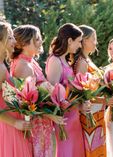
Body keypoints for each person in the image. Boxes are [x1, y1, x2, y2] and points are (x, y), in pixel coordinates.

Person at [10, 24, 60, 157]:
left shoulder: (31, 62)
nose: (40, 42)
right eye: (36, 39)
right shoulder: (23, 66)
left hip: (42, 124)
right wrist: (51, 115)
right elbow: (26, 103)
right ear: (22, 44)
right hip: (36, 126)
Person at [46, 23, 85, 157]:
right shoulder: (55, 61)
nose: (80, 45)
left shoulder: (66, 60)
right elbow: (52, 94)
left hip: (73, 117)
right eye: (79, 41)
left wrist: (80, 104)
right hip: (63, 120)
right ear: (69, 40)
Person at [73, 24, 107, 157]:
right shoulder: (82, 62)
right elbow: (81, 93)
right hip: (90, 114)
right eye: (94, 38)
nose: (96, 42)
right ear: (84, 40)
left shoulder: (87, 59)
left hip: (97, 113)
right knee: (92, 149)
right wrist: (104, 99)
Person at [0, 21, 33, 157]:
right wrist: (15, 123)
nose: (14, 41)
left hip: (14, 124)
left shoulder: (2, 65)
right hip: (9, 126)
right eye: (10, 37)